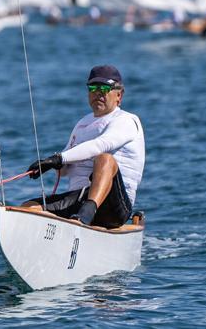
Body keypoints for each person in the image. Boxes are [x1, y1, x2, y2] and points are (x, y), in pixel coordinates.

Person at [22, 64, 144, 229]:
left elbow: (100, 145)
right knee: (27, 209)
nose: (98, 93)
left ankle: (85, 216)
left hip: (114, 206)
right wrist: (50, 165)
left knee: (104, 159)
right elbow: (65, 169)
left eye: (105, 88)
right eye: (93, 88)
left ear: (119, 95)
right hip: (78, 198)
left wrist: (59, 158)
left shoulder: (127, 120)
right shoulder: (82, 124)